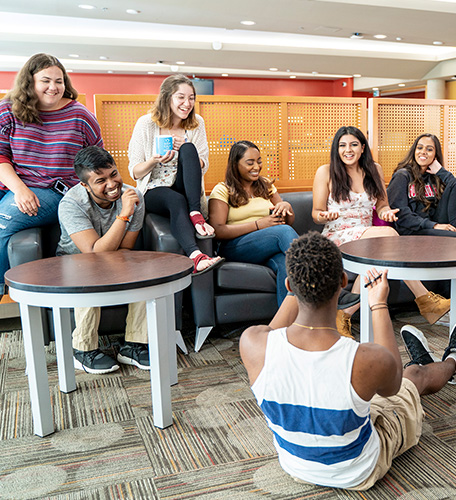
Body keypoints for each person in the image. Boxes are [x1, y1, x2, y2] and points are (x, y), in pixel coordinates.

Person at [240, 232, 456, 490]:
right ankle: (453, 361)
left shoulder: (253, 343)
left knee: (365, 394)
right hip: (358, 471)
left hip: (296, 466)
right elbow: (393, 387)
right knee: (412, 375)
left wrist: (301, 285)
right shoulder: (364, 358)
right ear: (344, 281)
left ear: (289, 285)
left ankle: (431, 360)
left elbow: (276, 326)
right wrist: (378, 303)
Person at [313, 126, 450, 336]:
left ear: (362, 148)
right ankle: (425, 300)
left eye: (353, 145)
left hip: (367, 237)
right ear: (336, 149)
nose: (347, 150)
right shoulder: (326, 171)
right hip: (338, 234)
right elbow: (316, 213)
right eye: (342, 145)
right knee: (391, 237)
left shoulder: (374, 169)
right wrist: (324, 215)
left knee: (372, 264)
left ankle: (343, 316)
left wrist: (386, 213)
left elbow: (382, 204)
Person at [0, 53, 103, 287]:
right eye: (45, 80)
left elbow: (97, 161)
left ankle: (4, 292)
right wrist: (20, 190)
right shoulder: (8, 111)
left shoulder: (81, 116)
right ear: (30, 82)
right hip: (14, 183)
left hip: (56, 190)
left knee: (2, 222)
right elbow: (1, 155)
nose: (53, 87)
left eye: (59, 81)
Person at [57, 146, 150, 374]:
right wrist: (124, 214)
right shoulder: (71, 204)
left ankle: (133, 345)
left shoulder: (132, 195)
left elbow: (126, 247)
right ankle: (83, 349)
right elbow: (93, 254)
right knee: (88, 271)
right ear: (85, 185)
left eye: (114, 174)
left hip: (116, 256)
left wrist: (127, 208)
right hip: (74, 262)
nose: (112, 184)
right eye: (100, 180)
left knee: (146, 272)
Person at [128, 74, 222, 275]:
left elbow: (203, 165)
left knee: (189, 148)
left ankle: (195, 213)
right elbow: (135, 172)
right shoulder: (146, 124)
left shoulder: (196, 123)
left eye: (191, 98)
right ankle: (196, 256)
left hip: (185, 185)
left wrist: (185, 148)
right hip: (154, 188)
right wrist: (154, 160)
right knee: (176, 200)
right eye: (181, 97)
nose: (187, 104)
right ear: (167, 98)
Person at [208, 140, 298, 306]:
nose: (256, 167)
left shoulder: (266, 186)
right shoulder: (222, 189)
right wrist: (258, 224)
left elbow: (287, 221)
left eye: (259, 161)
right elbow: (217, 231)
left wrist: (286, 206)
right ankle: (314, 266)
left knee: (286, 264)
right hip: (235, 247)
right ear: (235, 165)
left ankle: (286, 326)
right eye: (250, 163)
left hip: (267, 247)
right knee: (282, 233)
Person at [387, 133, 456, 238]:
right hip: (413, 230)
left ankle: (454, 233)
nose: (423, 152)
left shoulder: (436, 176)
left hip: (435, 225)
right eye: (419, 148)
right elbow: (401, 214)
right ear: (414, 151)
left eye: (429, 149)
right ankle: (454, 237)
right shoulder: (402, 176)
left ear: (435, 155)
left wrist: (441, 171)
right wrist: (433, 225)